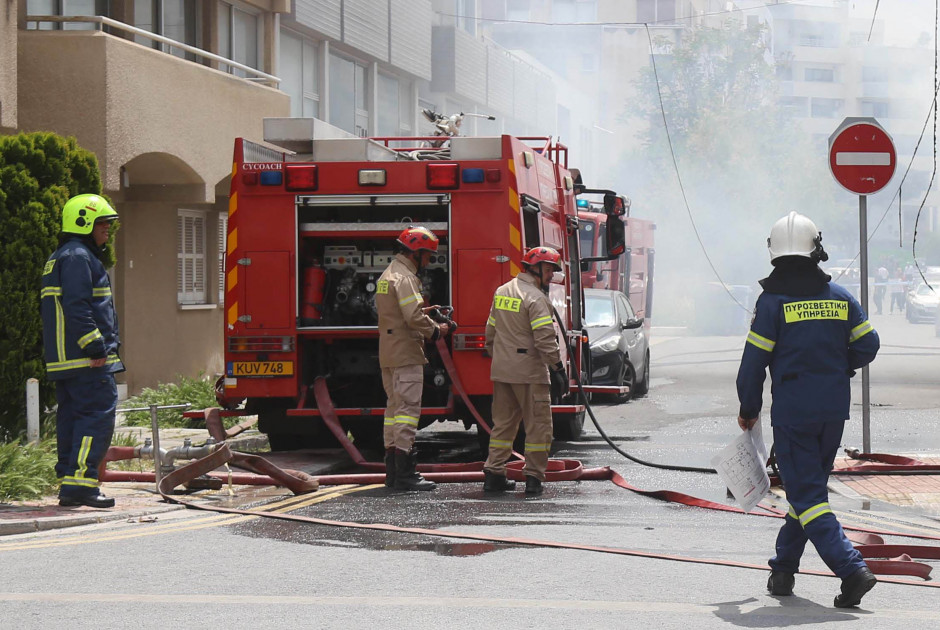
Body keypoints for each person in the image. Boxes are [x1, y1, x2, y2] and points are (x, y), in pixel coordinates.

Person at [736, 211, 880, 608]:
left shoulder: (772, 304)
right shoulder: (840, 298)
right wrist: (838, 365)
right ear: (817, 250)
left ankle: (852, 570)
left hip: (794, 414)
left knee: (808, 494)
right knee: (807, 488)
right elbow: (868, 345)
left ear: (774, 253)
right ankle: (783, 569)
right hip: (833, 412)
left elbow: (753, 366)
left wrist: (749, 408)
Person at [41, 194, 124, 509]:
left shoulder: (63, 255)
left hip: (68, 360)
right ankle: (81, 486)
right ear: (84, 222)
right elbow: (77, 305)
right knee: (95, 417)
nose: (106, 230)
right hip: (86, 359)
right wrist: (95, 345)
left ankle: (72, 483)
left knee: (74, 419)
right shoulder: (78, 257)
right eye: (102, 223)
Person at [482, 246, 566, 496]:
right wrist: (557, 368)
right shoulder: (536, 299)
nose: (552, 275)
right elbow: (544, 339)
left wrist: (499, 356)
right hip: (530, 374)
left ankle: (494, 475)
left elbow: (490, 331)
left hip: (503, 371)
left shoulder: (502, 291)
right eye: (550, 269)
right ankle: (533, 479)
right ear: (536, 268)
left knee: (503, 426)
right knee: (538, 427)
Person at [376, 226, 450, 491]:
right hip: (406, 351)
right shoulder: (406, 278)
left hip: (389, 350)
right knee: (407, 411)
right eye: (428, 256)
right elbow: (413, 318)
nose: (429, 262)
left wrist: (424, 310)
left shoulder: (388, 274)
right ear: (416, 253)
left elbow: (401, 311)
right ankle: (406, 473)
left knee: (394, 410)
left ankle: (393, 473)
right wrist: (436, 330)